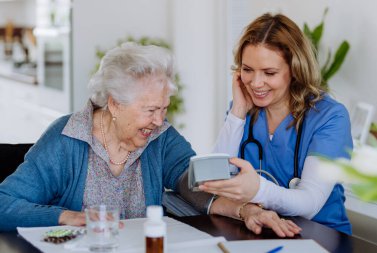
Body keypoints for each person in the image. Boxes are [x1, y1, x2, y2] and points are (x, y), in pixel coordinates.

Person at [0, 42, 299, 237]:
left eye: (164, 109)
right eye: (151, 110)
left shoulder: (160, 137)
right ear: (115, 104)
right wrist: (68, 216)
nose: (159, 121)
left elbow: (195, 185)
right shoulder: (66, 138)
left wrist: (248, 210)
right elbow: (4, 204)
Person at [199, 13, 353, 235]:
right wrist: (237, 113)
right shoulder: (244, 112)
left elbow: (310, 203)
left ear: (295, 69)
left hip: (319, 236)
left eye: (269, 72)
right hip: (256, 231)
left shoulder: (330, 117)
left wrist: (257, 190)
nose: (256, 83)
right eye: (247, 70)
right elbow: (214, 180)